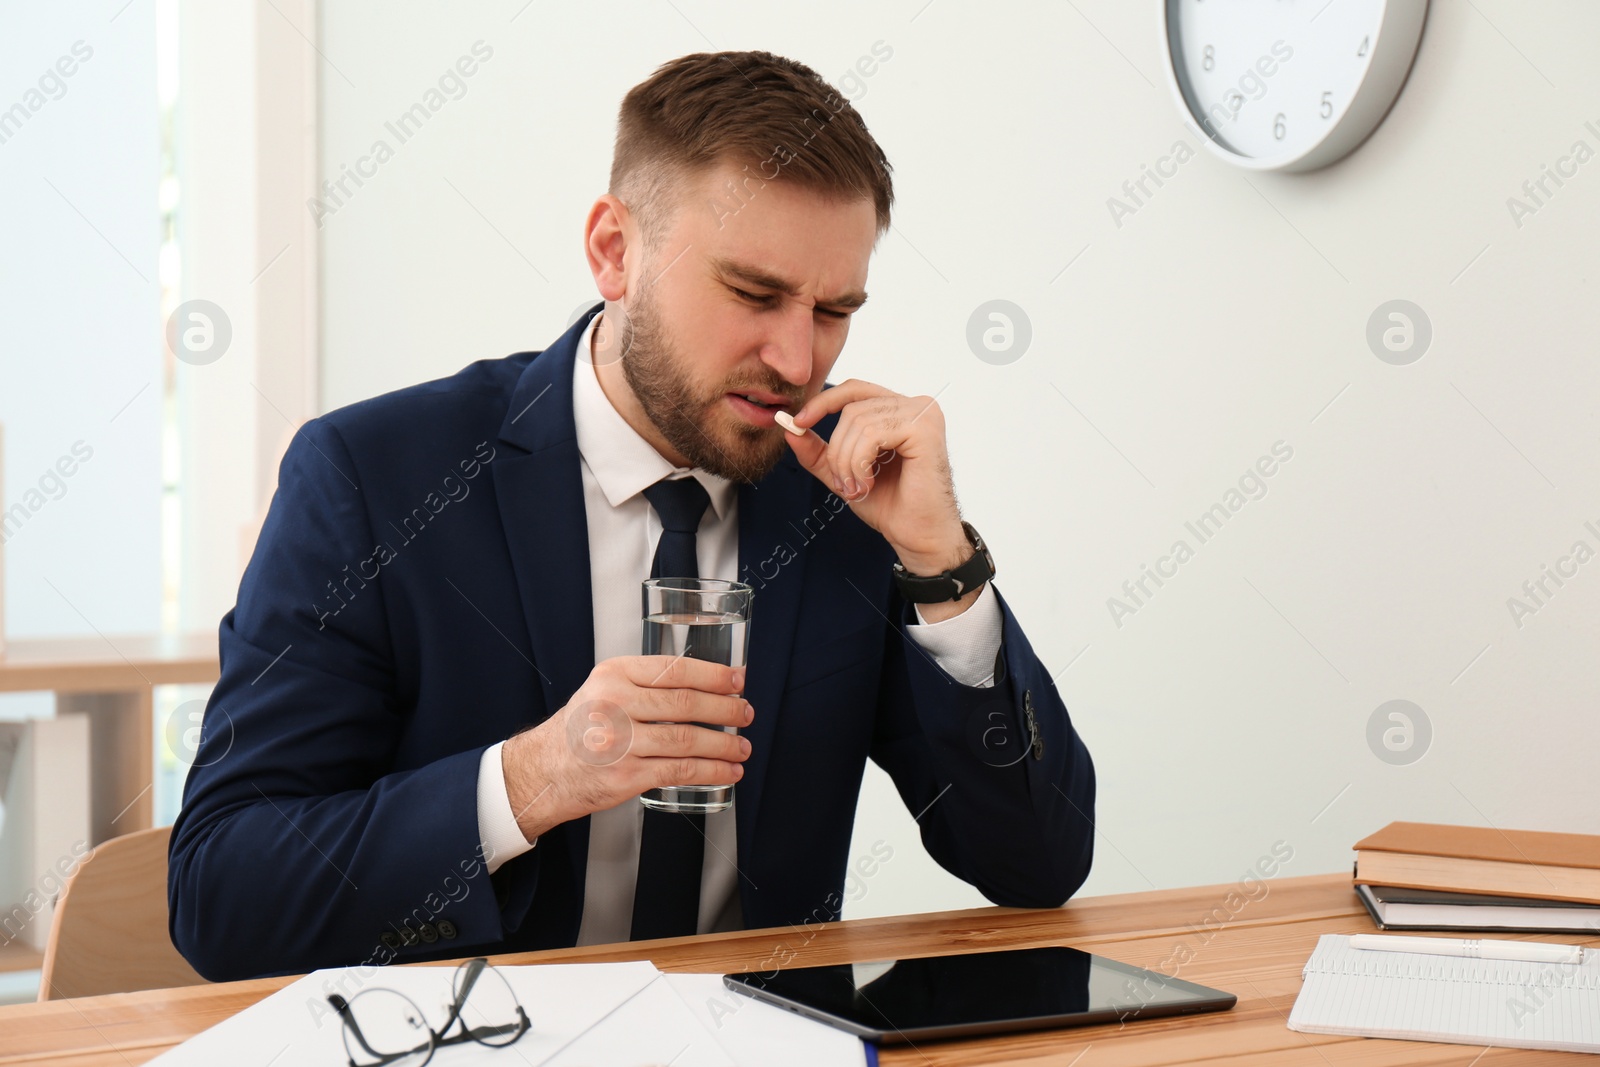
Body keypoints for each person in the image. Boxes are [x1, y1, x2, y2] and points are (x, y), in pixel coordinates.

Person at [169, 49, 1095, 982]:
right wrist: (529, 781)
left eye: (834, 310)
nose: (794, 354)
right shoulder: (375, 481)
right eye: (754, 292)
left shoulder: (843, 500)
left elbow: (1037, 864)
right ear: (615, 251)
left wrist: (942, 565)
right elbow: (223, 892)